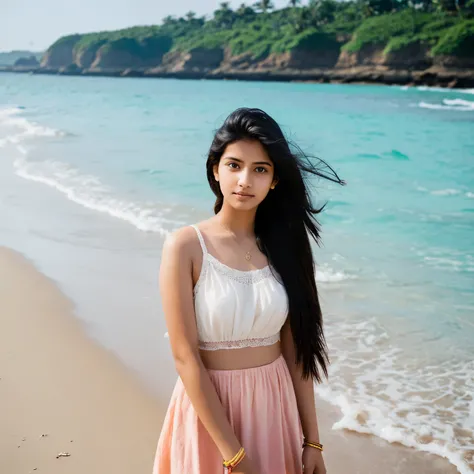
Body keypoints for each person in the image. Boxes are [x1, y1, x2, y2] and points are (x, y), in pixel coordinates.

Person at [153, 107, 345, 474]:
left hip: (275, 408)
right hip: (210, 415)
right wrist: (234, 455)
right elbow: (184, 357)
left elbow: (296, 352)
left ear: (274, 180)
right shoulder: (186, 246)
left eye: (260, 169)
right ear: (215, 170)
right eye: (234, 165)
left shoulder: (284, 249)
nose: (245, 180)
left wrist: (313, 441)